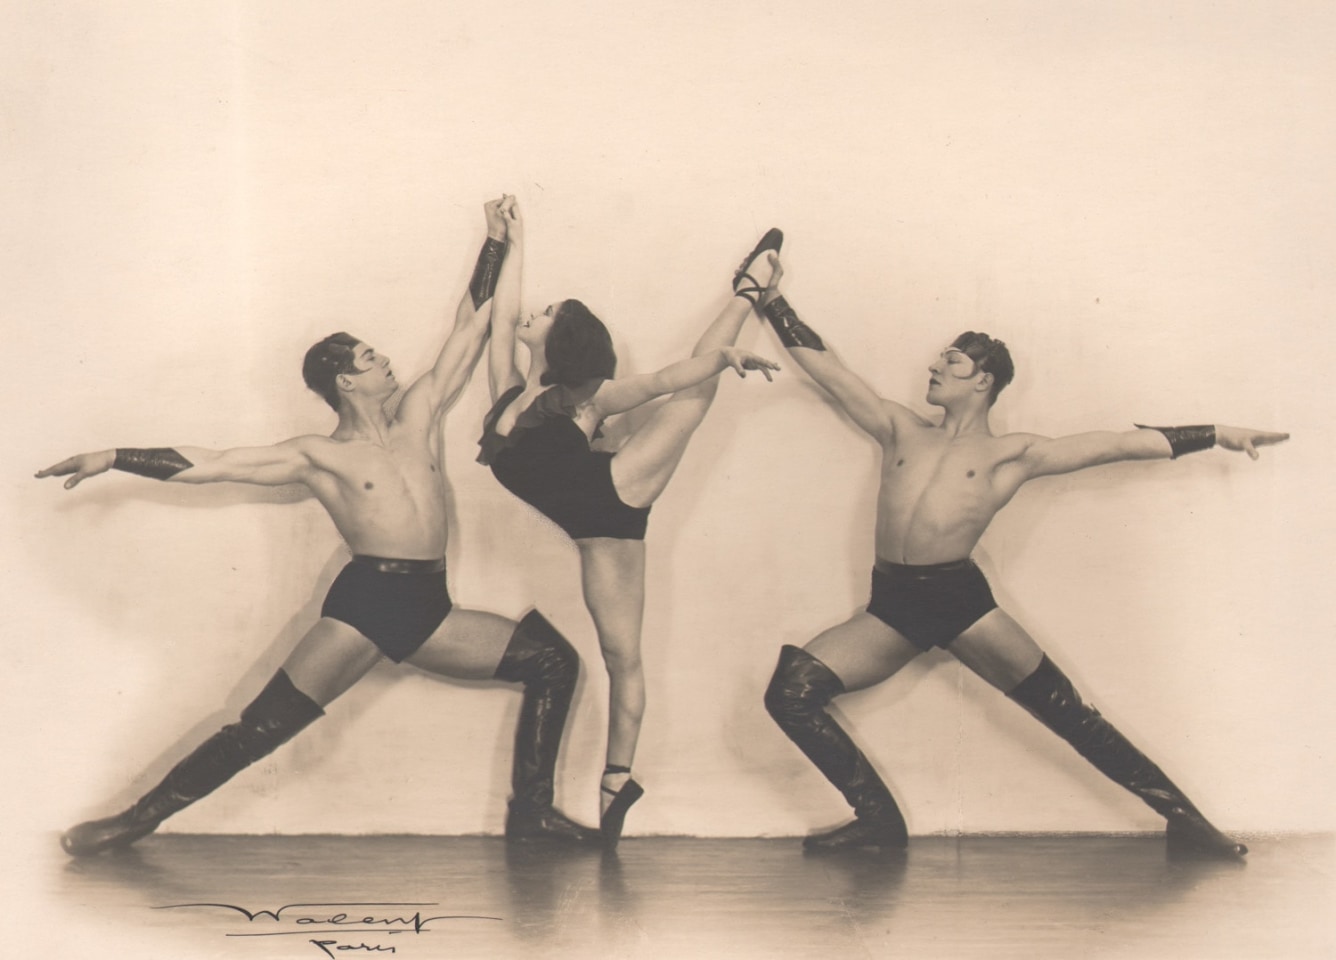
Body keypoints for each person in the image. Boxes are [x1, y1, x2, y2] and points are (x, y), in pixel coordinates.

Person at [38, 197, 597, 856]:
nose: (385, 359)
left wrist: (496, 242)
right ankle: (133, 820)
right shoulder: (319, 455)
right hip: (367, 605)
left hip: (428, 604)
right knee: (260, 728)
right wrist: (112, 457)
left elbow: (469, 328)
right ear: (345, 382)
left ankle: (530, 814)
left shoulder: (419, 411)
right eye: (369, 358)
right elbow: (213, 464)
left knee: (553, 662)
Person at [755, 259, 1288, 860]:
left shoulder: (1013, 454)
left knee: (1066, 715)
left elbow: (1114, 445)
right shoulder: (900, 428)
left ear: (983, 380)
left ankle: (1190, 823)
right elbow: (830, 370)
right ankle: (878, 821)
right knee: (790, 693)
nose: (933, 367)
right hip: (894, 603)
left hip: (959, 602)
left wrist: (1216, 432)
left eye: (951, 362)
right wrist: (770, 301)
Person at [478, 197, 782, 846]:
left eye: (548, 311)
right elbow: (503, 314)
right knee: (621, 657)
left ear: (563, 336)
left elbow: (665, 380)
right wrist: (509, 239)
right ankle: (620, 784)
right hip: (596, 535)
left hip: (615, 491)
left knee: (693, 397)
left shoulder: (587, 397)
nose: (533, 313)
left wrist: (721, 360)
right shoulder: (506, 387)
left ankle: (747, 294)